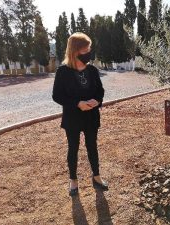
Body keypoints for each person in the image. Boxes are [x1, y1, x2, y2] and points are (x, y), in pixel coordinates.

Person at [52, 32, 108, 196]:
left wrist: (97, 101)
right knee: (73, 148)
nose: (89, 53)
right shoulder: (63, 71)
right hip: (72, 118)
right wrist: (77, 103)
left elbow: (100, 90)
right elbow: (57, 96)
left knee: (92, 147)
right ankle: (73, 181)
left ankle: (96, 178)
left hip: (91, 116)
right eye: (86, 49)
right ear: (75, 51)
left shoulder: (92, 70)